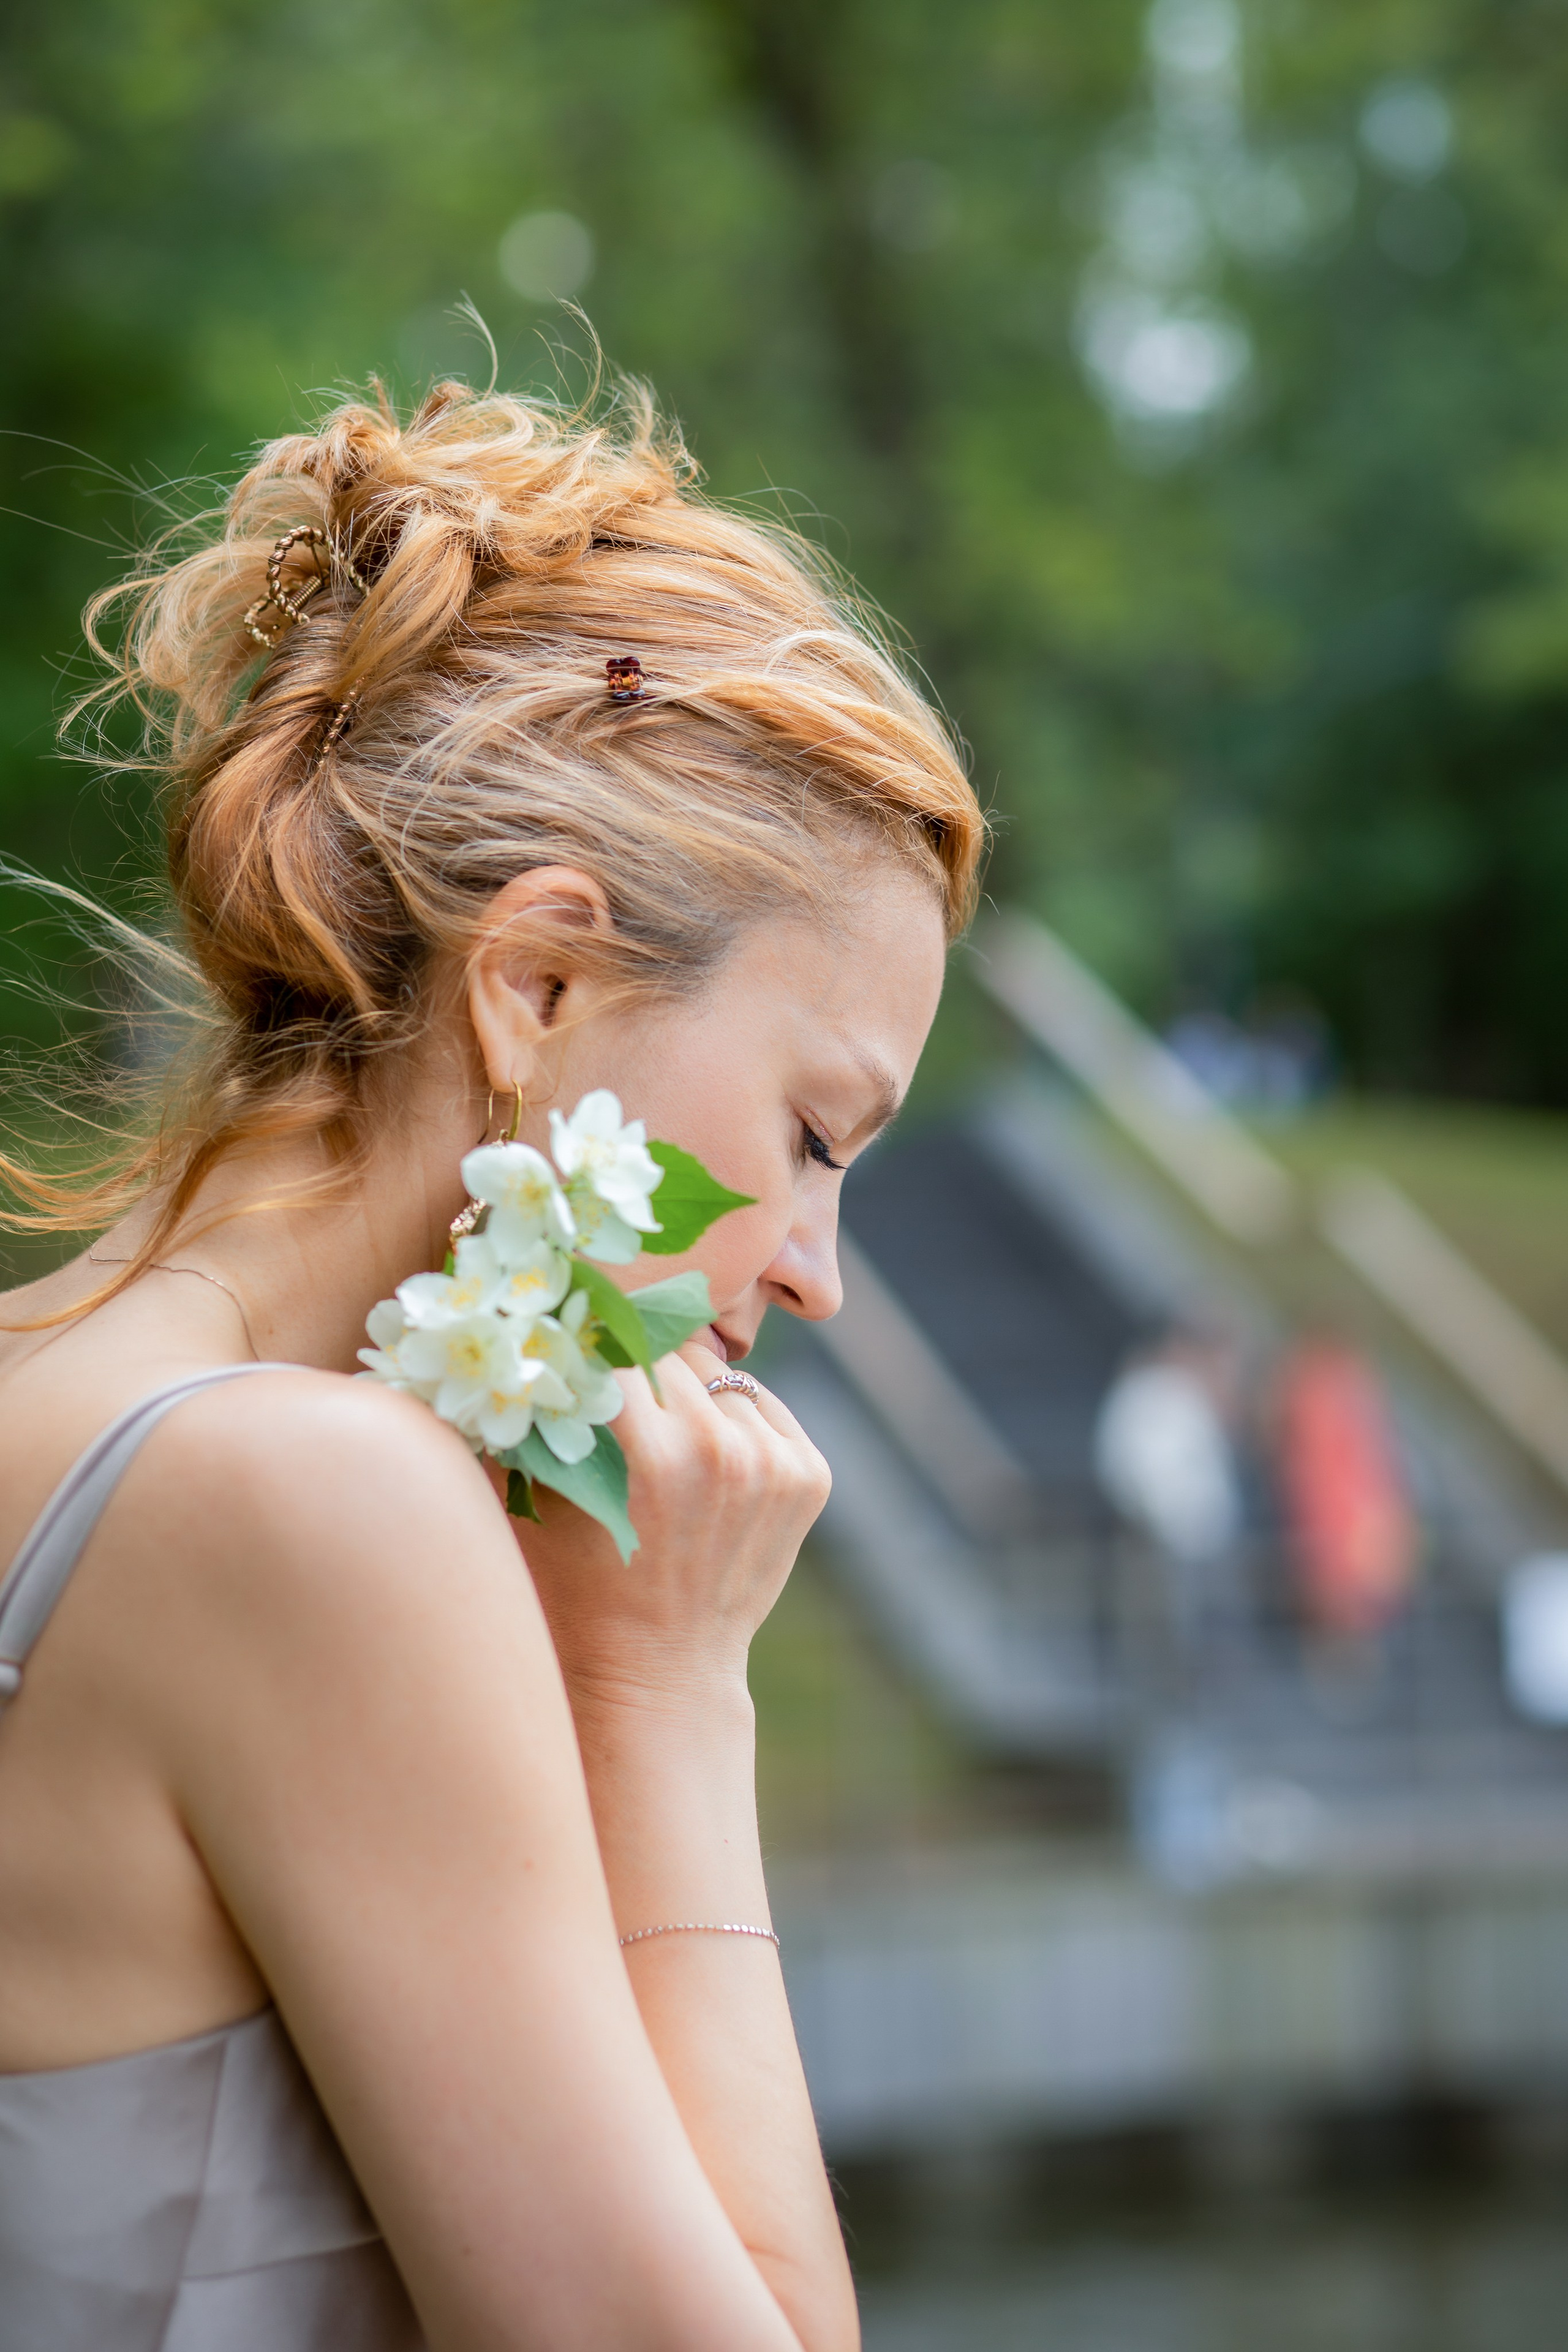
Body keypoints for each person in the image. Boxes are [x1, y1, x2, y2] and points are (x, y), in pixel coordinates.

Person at [0, 379, 985, 2351]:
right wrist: (668, 1691)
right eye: (814, 1135)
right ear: (535, 983)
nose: (819, 1278)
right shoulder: (309, 1509)